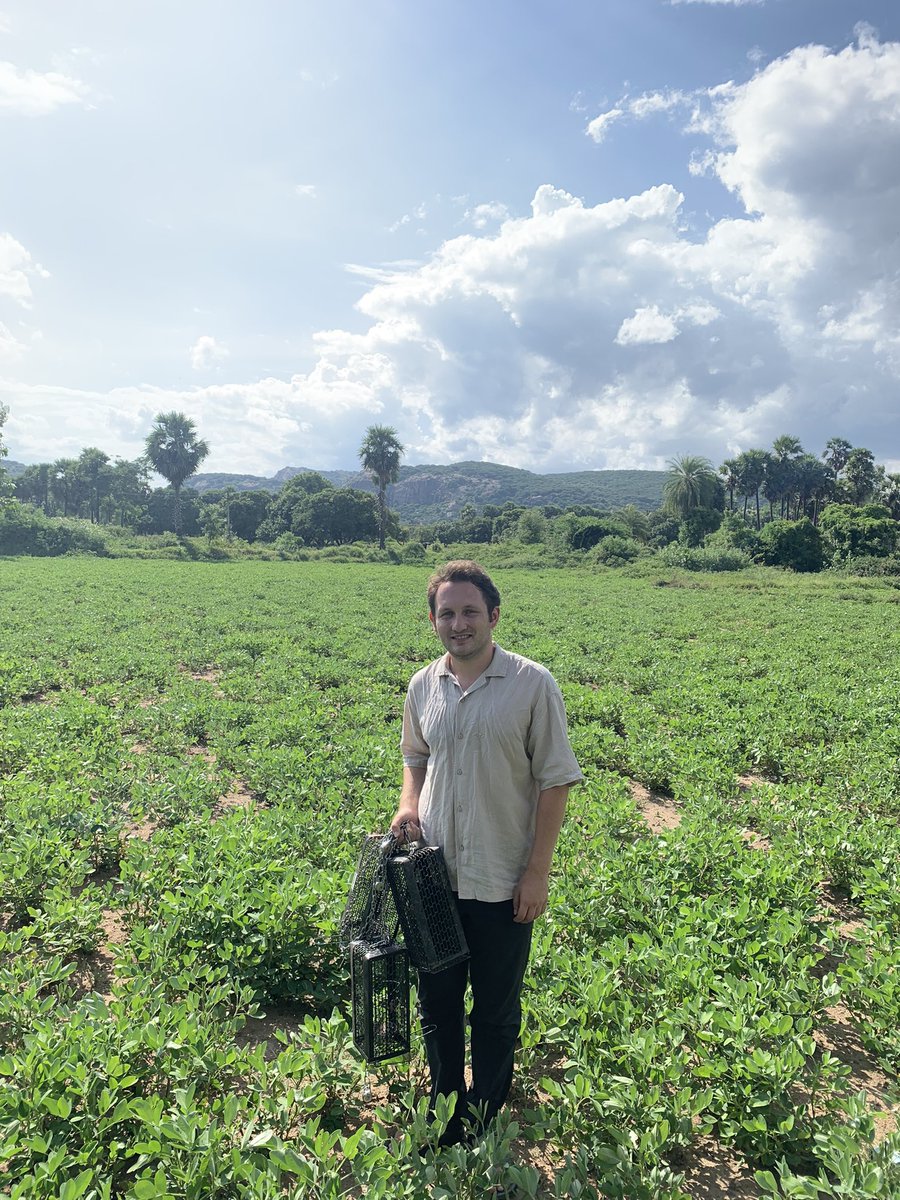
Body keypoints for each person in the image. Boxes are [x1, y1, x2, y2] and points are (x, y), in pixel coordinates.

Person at [391, 560, 582, 1147]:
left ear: (493, 616)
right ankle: (447, 1106)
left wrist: (537, 873)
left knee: (495, 1012)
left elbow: (555, 782)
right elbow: (416, 756)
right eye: (446, 613)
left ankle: (483, 1115)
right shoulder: (423, 685)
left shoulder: (532, 684)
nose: (459, 623)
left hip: (503, 880)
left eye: (470, 611)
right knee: (438, 1004)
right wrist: (407, 804)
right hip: (435, 875)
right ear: (433, 621)